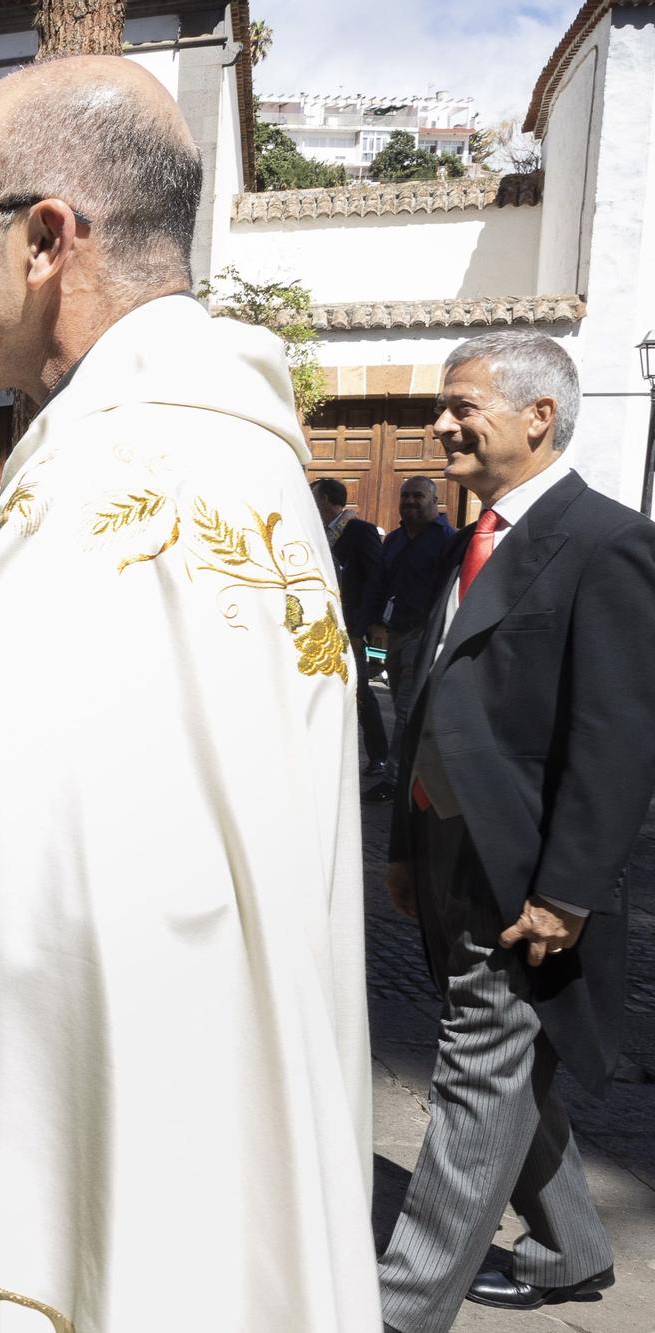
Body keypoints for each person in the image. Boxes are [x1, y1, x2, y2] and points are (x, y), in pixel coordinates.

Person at [0, 57, 381, 1332]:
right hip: (215, 1139)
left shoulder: (91, 493)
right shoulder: (242, 447)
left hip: (43, 1198)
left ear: (46, 237)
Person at [377, 331, 655, 1333]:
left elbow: (616, 737)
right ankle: (574, 1249)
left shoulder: (605, 542)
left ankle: (398, 1305)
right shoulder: (469, 535)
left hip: (527, 872)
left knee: (475, 1071)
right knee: (510, 1064)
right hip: (446, 849)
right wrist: (405, 845)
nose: (438, 424)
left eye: (460, 405)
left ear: (537, 416)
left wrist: (565, 892)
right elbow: (428, 698)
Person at [362, 476, 456, 801]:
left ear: (434, 500)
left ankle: (395, 780)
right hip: (395, 634)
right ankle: (414, 772)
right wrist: (373, 623)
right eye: (405, 496)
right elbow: (380, 583)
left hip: (424, 636)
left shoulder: (448, 539)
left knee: (404, 711)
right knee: (405, 706)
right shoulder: (395, 539)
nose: (410, 502)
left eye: (418, 496)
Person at [312, 476, 386, 779]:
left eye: (314, 498)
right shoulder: (316, 533)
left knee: (361, 692)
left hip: (351, 627)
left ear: (327, 500)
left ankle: (379, 754)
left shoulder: (359, 531)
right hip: (322, 625)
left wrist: (364, 625)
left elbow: (375, 579)